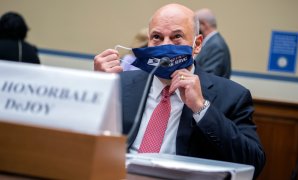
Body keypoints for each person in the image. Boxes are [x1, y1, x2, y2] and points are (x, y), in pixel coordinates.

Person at [94, 3, 265, 178]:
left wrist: (201, 108)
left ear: (197, 44)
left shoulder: (232, 96)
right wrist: (98, 89)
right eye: (157, 37)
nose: (164, 46)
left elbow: (253, 162)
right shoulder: (120, 83)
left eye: (177, 36)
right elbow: (86, 140)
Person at [195, 8, 231, 78]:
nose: (194, 28)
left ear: (203, 24)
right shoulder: (210, 42)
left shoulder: (216, 45)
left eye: (195, 25)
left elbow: (209, 77)